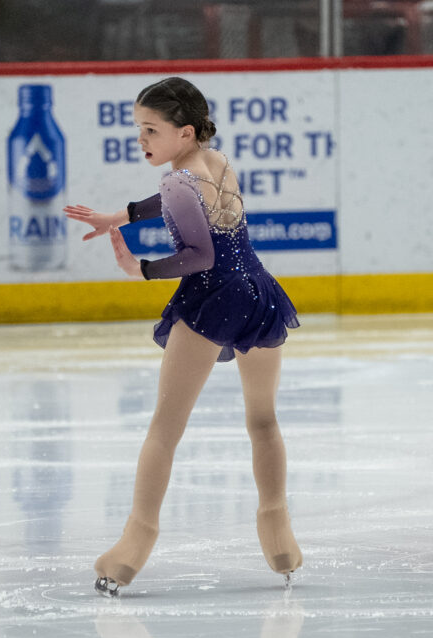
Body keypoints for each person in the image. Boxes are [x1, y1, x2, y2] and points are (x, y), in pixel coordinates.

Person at [63, 76, 302, 597]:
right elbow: (177, 200)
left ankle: (132, 548)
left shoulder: (178, 181)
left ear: (185, 132)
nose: (142, 140)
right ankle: (279, 536)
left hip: (213, 300)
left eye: (150, 129)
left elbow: (199, 256)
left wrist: (141, 270)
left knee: (164, 431)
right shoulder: (216, 163)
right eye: (139, 130)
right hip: (259, 292)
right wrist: (121, 215)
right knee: (263, 420)